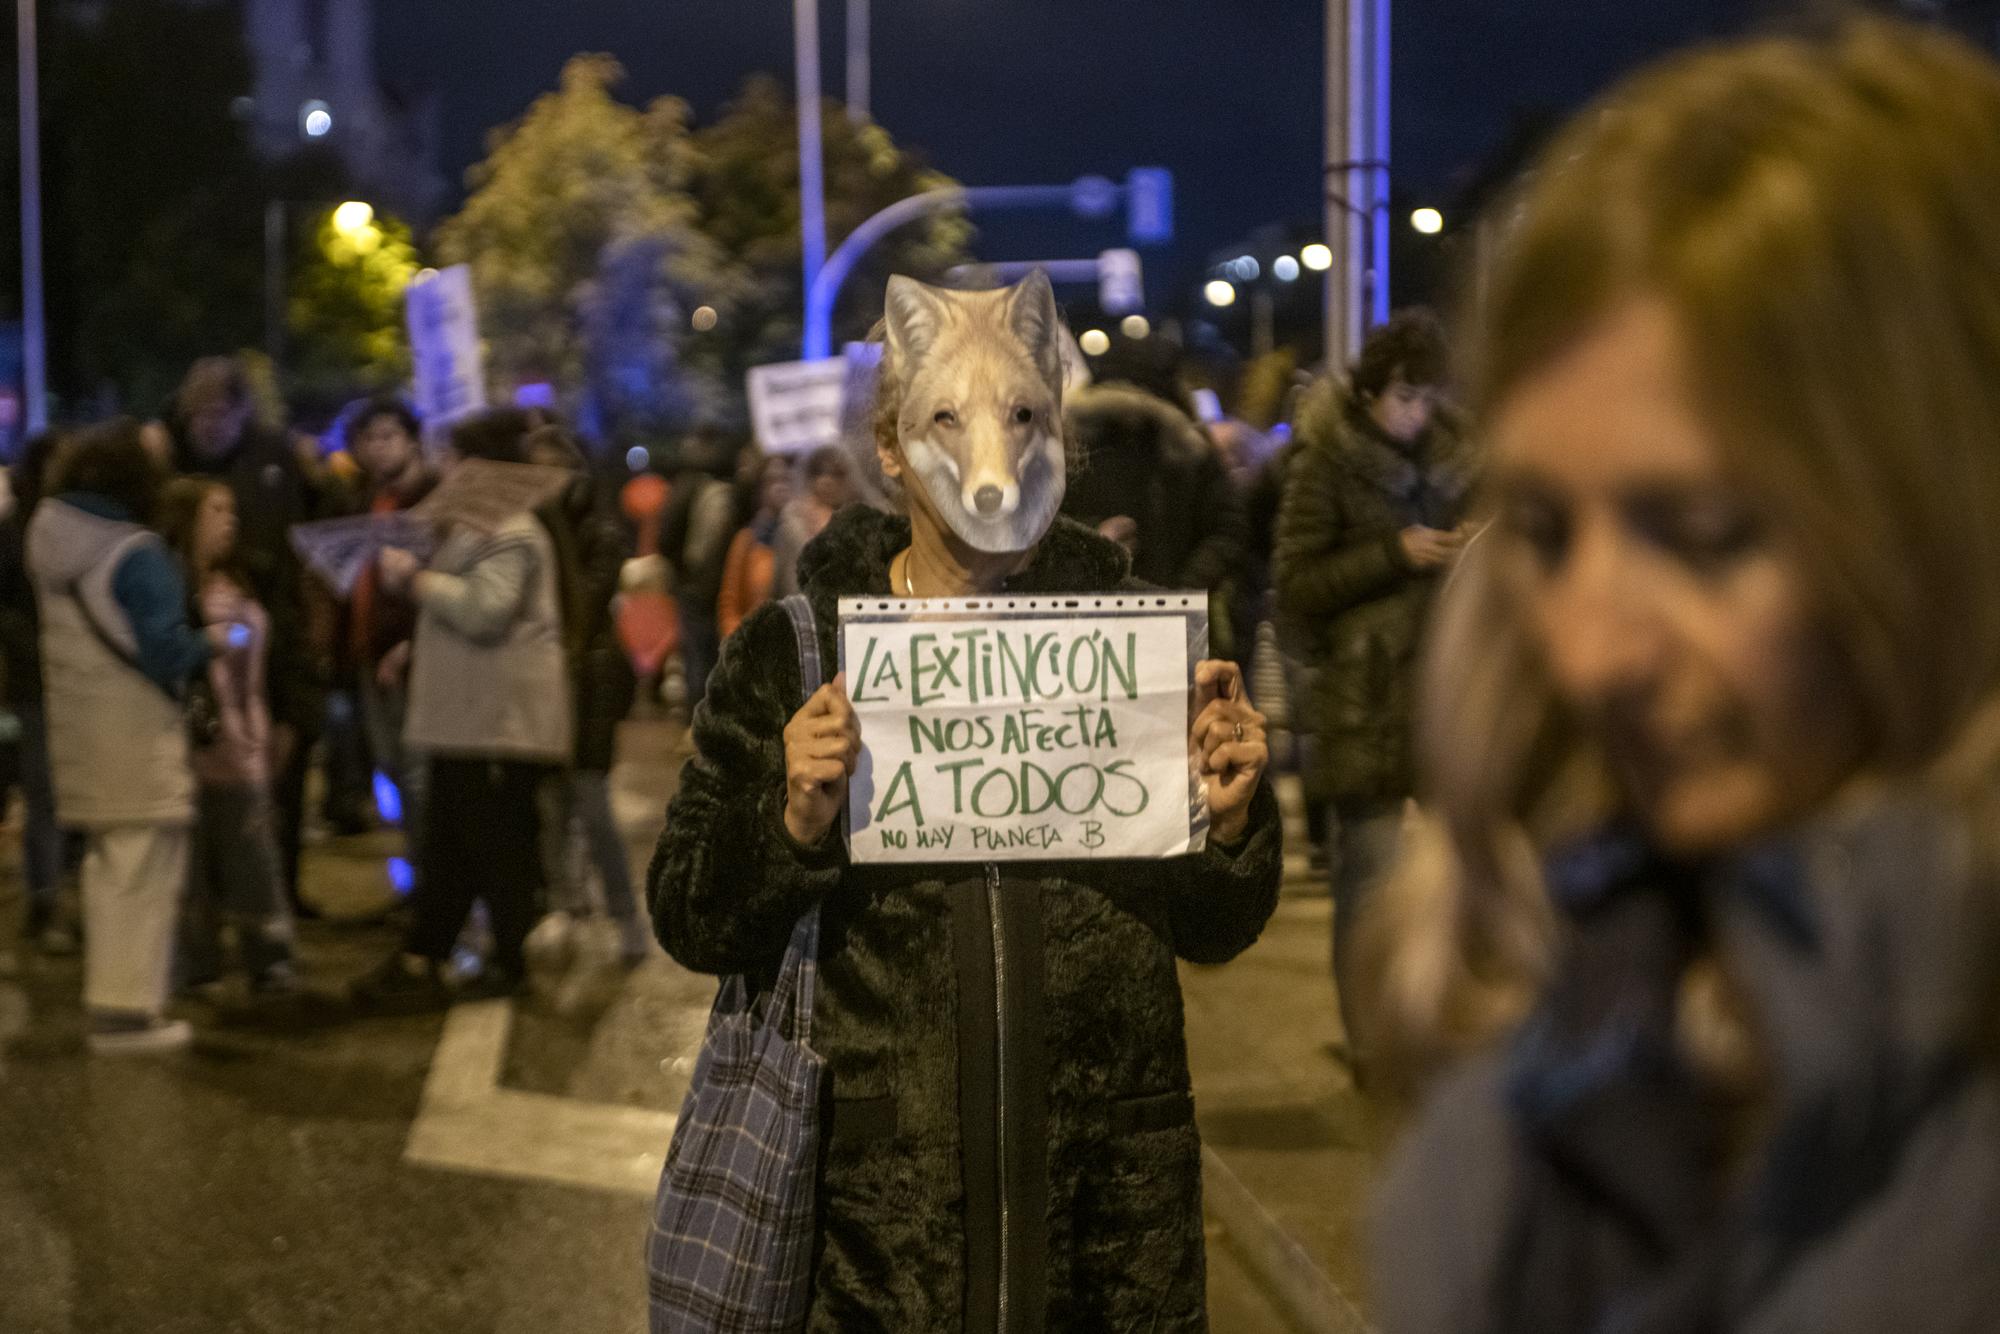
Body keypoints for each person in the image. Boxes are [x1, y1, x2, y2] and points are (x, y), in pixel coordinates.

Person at [1368, 20, 2000, 1333]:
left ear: (1943, 515)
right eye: (1542, 530)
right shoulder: (1545, 1025)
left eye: (1704, 535)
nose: (1593, 649)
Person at [650, 272, 1281, 1328]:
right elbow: (688, 910)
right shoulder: (795, 652)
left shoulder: (1139, 647)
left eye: (1024, 415)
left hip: (1106, 1228)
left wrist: (1228, 819)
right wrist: (789, 819)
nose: (993, 451)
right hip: (874, 1235)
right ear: (892, 447)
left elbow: (1215, 926)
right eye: (945, 416)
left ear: (1056, 438)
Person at [1271, 309, 1474, 1069]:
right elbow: (1296, 583)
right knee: (1371, 873)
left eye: (1427, 399)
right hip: (1362, 698)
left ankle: (1447, 1024)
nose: (1416, 415)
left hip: (1448, 687)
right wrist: (1394, 553)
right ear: (1367, 394)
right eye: (1403, 398)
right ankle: (1369, 1041)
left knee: (1464, 870)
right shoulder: (1325, 461)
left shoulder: (1462, 458)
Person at [350, 409, 571, 1006]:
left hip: (496, 725)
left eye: (454, 457)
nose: (444, 468)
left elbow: (483, 611)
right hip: (471, 722)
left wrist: (415, 581)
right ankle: (430, 954)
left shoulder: (514, 531)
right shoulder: (481, 527)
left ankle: (500, 960)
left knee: (492, 847)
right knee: (455, 845)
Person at [28, 420, 226, 1053]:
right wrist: (216, 641)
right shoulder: (136, 552)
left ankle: (115, 1003)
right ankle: (128, 1014)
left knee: (109, 865)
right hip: (136, 732)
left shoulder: (48, 538)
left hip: (82, 731)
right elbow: (166, 652)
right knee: (144, 870)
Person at [165, 357, 328, 915]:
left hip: (273, 633)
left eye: (219, 412)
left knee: (277, 770)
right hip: (208, 634)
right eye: (198, 413)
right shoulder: (169, 459)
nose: (208, 424)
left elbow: (313, 533)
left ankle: (277, 894)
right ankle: (218, 903)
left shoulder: (274, 458)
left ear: (240, 412)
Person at [157, 478, 298, 997]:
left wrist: (279, 727)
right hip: (194, 746)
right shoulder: (170, 588)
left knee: (254, 856)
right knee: (194, 865)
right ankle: (197, 963)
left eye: (232, 510)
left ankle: (270, 958)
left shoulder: (245, 581)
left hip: (243, 746)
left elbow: (269, 664)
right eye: (216, 510)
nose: (229, 521)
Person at [525, 424, 649, 966]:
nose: (542, 482)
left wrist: (549, 522)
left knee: (592, 803)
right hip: (540, 683)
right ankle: (569, 906)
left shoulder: (597, 530)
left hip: (590, 683)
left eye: (552, 469)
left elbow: (584, 603)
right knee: (551, 804)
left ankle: (626, 919)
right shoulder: (527, 527)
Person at [1061, 338, 1249, 658]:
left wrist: (1092, 543)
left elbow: (1044, 530)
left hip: (1085, 633)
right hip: (1174, 630)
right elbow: (1229, 529)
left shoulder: (1068, 447)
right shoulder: (1191, 448)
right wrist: (1181, 592)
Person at [343, 398, 437, 890]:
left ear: (411, 439)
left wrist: (412, 643)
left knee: (418, 773)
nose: (377, 448)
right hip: (369, 653)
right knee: (392, 767)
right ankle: (423, 880)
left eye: (387, 436)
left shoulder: (428, 498)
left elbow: (437, 579)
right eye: (369, 439)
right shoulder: (364, 498)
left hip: (411, 656)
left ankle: (432, 888)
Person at [0, 431, 77, 954]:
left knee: (62, 794)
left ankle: (57, 897)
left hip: (69, 676)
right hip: (37, 680)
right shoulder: (15, 531)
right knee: (45, 793)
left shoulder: (76, 525)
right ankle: (48, 898)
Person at [658, 431, 746, 711]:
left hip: (696, 585)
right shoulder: (732, 489)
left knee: (697, 655)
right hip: (720, 582)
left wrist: (681, 573)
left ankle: (698, 721)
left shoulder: (688, 485)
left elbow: (666, 536)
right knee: (710, 656)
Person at [715, 453, 791, 640]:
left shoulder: (807, 537)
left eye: (786, 479)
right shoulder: (748, 540)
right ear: (760, 489)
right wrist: (737, 644)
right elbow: (729, 603)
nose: (779, 487)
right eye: (771, 480)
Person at [767, 443, 854, 601]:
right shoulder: (793, 523)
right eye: (819, 471)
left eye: (836, 473)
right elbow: (779, 584)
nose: (827, 480)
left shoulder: (861, 526)